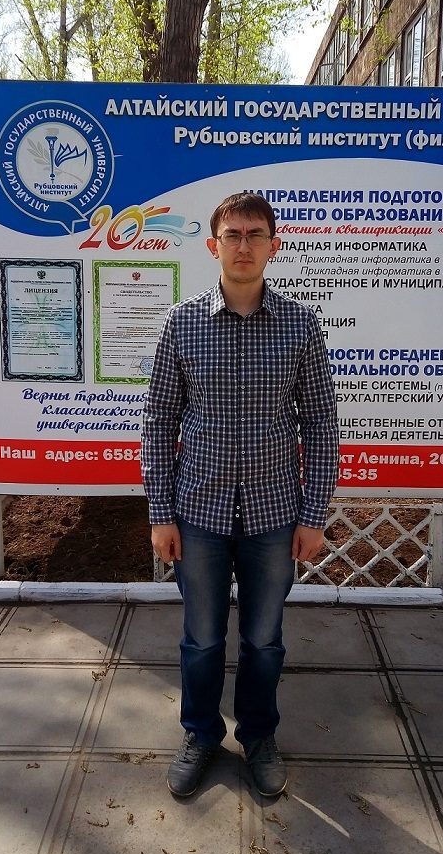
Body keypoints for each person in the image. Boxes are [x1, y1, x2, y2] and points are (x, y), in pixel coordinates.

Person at [141, 192, 339, 799]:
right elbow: (158, 421)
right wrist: (160, 514)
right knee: (201, 638)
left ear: (274, 246)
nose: (244, 245)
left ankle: (258, 736)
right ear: (214, 246)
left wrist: (313, 514)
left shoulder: (300, 325)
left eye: (256, 234)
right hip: (197, 512)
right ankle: (200, 734)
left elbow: (321, 423)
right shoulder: (182, 323)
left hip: (274, 514)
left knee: (263, 639)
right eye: (233, 234)